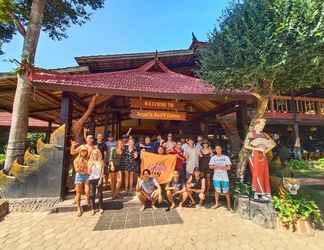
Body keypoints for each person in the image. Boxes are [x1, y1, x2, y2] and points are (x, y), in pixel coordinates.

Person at [209, 145, 232, 211]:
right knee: (217, 191)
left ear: (221, 149)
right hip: (216, 177)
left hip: (224, 177)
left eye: (219, 149)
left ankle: (229, 206)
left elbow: (229, 167)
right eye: (216, 149)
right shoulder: (213, 158)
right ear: (215, 150)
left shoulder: (225, 157)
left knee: (226, 191)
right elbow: (210, 167)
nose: (218, 150)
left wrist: (222, 167)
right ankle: (217, 204)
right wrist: (215, 166)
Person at [73, 146, 90, 217]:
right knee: (78, 192)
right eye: (82, 151)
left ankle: (88, 201)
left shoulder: (88, 159)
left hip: (86, 175)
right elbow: (76, 169)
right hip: (79, 176)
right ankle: (78, 208)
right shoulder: (76, 160)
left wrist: (85, 171)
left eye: (85, 151)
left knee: (87, 190)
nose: (84, 152)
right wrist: (84, 171)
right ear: (80, 151)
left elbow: (89, 168)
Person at [88, 148, 104, 215]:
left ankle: (101, 207)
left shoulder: (101, 161)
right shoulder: (89, 162)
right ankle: (92, 208)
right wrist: (91, 166)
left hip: (99, 178)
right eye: (94, 154)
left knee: (100, 194)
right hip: (92, 179)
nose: (95, 155)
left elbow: (102, 172)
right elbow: (88, 172)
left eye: (96, 154)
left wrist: (100, 179)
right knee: (92, 194)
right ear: (92, 154)